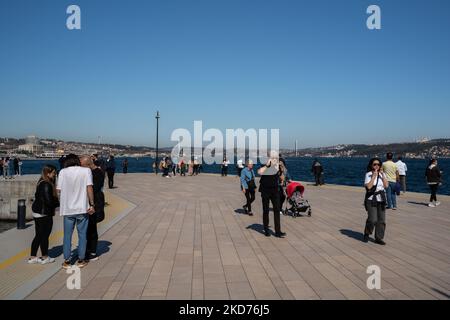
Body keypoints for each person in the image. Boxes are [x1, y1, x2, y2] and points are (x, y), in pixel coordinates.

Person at [57, 154, 95, 269]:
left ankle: (67, 260)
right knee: (82, 235)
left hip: (68, 209)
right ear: (77, 161)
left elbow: (59, 190)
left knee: (67, 235)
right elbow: (89, 188)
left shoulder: (62, 172)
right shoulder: (86, 171)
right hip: (82, 208)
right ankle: (81, 259)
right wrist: (92, 204)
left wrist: (63, 202)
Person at [28, 165, 59, 264]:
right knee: (45, 235)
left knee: (38, 235)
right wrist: (58, 203)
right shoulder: (46, 184)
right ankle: (45, 256)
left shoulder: (41, 181)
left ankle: (33, 257)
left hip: (37, 212)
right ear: (48, 173)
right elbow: (49, 201)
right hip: (44, 213)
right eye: (54, 173)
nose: (55, 175)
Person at [81, 155, 105, 261]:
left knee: (92, 228)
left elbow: (94, 188)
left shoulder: (98, 173)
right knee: (87, 228)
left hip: (94, 204)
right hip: (88, 203)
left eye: (82, 165)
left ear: (88, 164)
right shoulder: (89, 172)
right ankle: (86, 250)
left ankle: (92, 251)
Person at [257, 151, 286, 238]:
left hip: (275, 190)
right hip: (265, 190)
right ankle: (266, 230)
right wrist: (267, 165)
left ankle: (278, 232)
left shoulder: (278, 166)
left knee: (277, 210)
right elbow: (259, 172)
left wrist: (281, 170)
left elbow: (282, 178)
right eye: (273, 157)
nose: (275, 159)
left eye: (276, 157)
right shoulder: (265, 164)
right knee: (265, 210)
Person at [363, 158, 389, 245]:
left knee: (381, 220)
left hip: (381, 199)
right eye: (374, 164)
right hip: (371, 199)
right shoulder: (368, 174)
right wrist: (374, 176)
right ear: (371, 165)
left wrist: (382, 175)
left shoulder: (383, 174)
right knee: (373, 219)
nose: (377, 166)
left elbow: (386, 186)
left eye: (378, 164)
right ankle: (367, 232)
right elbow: (369, 187)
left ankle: (379, 238)